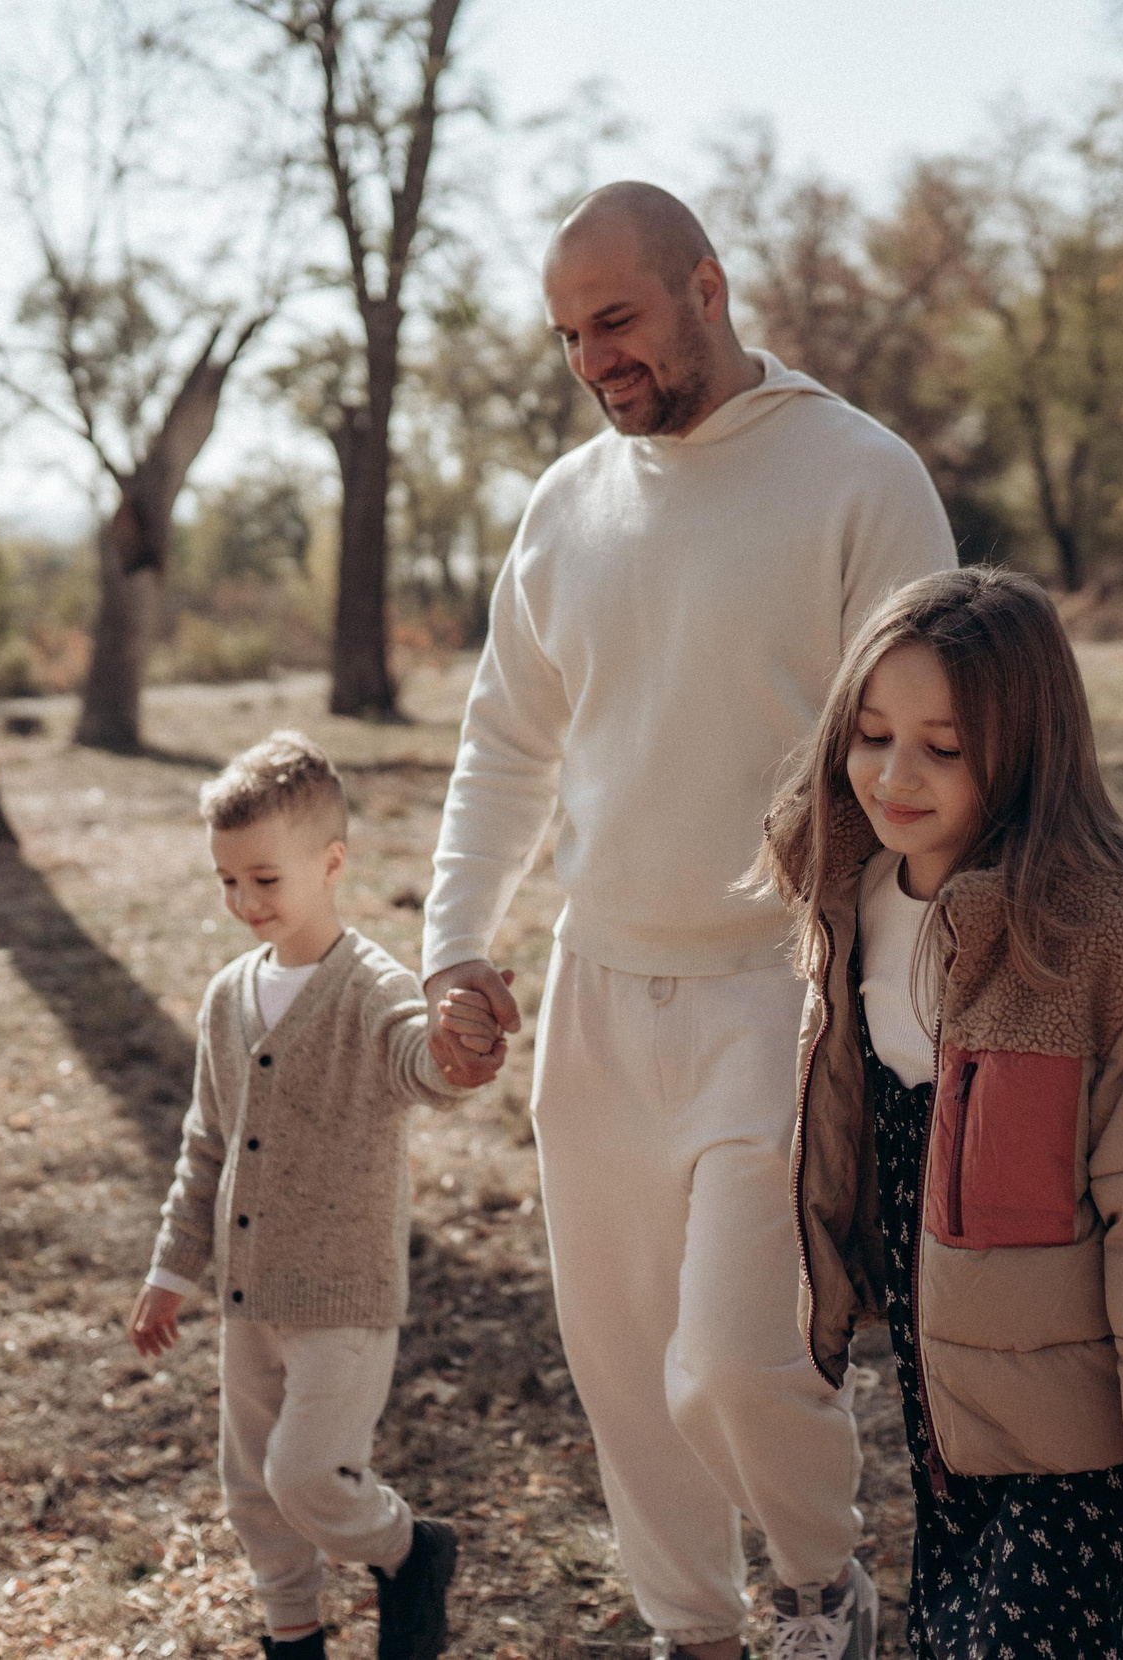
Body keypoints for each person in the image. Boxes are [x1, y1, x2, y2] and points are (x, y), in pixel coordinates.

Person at [419, 181, 956, 1660]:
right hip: (598, 998)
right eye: (569, 335)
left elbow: (942, 754)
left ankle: (816, 1582)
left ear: (707, 289)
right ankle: (694, 1634)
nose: (596, 359)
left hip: (779, 991)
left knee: (729, 1365)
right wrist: (455, 944)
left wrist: (903, 995)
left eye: (619, 320)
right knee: (621, 1380)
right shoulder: (564, 503)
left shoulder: (860, 474)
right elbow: (507, 745)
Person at [759, 567, 1123, 1660]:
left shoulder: (1118, 949)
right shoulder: (853, 900)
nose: (895, 775)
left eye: (944, 748)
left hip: (1078, 1447)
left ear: (1026, 747)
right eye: (873, 732)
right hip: (944, 1413)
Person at [131, 731, 479, 1660]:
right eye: (227, 881)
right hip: (248, 1295)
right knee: (251, 1488)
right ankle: (294, 1635)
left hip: (343, 1295)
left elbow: (422, 1065)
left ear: (330, 866)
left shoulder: (371, 987)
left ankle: (411, 1548)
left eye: (266, 880)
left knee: (307, 1475)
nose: (245, 903)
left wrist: (454, 1050)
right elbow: (206, 1142)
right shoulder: (226, 997)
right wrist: (173, 1267)